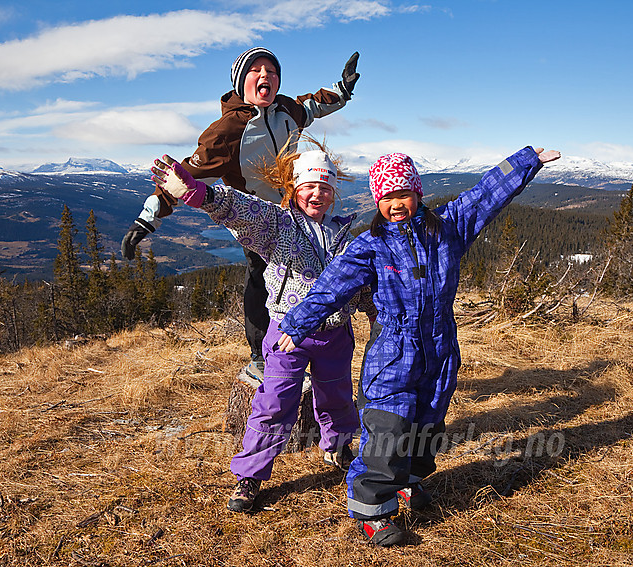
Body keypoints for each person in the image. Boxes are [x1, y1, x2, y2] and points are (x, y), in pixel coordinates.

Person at [277, 145, 561, 546]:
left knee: (427, 424)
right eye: (387, 197)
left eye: (403, 195)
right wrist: (298, 322)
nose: (396, 204)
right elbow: (331, 285)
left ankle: (407, 480)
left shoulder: (447, 228)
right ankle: (372, 509)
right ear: (378, 199)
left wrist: (525, 162)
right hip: (395, 350)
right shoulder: (370, 246)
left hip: (440, 349)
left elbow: (484, 195)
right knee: (388, 430)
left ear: (418, 194)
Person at [149, 139, 376, 513]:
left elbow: (356, 282)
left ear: (333, 193)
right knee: (274, 403)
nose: (317, 194)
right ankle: (250, 475)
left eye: (324, 187)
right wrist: (199, 193)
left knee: (336, 396)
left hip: (335, 334)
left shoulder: (343, 235)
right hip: (288, 334)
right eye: (309, 186)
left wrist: (372, 308)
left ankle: (337, 447)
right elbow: (243, 209)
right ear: (294, 188)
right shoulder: (279, 224)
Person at [122, 46, 361, 382]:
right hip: (253, 217)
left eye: (272, 72)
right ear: (240, 82)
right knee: (262, 277)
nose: (266, 77)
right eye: (256, 71)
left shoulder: (287, 110)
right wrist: (149, 216)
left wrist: (343, 89)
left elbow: (313, 105)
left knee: (300, 275)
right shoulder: (227, 130)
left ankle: (300, 341)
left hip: (293, 210)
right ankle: (260, 354)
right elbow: (188, 177)